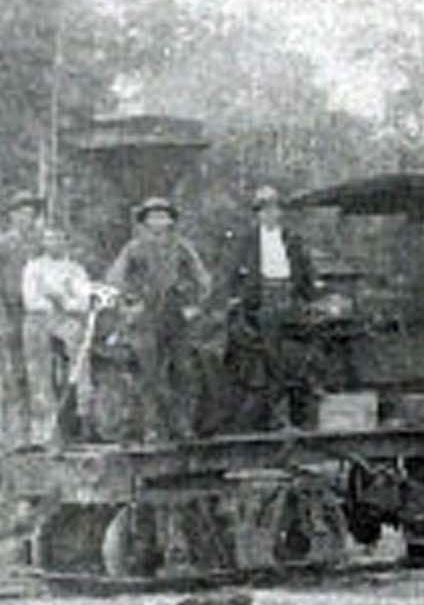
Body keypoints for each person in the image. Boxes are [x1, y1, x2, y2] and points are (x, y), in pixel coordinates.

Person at [104, 197, 214, 441]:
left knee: (183, 371)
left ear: (171, 220)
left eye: (164, 216)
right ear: (145, 221)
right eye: (153, 216)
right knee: (148, 373)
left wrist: (195, 306)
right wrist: (127, 307)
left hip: (175, 315)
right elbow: (114, 279)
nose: (159, 221)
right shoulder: (133, 248)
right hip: (146, 317)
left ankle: (182, 424)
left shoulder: (182, 247)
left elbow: (203, 279)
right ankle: (150, 427)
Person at [226, 185, 317, 431]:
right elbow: (232, 274)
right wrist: (237, 299)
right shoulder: (247, 241)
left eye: (274, 209)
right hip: (260, 303)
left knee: (307, 349)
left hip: (289, 299)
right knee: (270, 356)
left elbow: (306, 274)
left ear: (280, 212)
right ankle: (275, 414)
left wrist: (312, 298)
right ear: (257, 214)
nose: (269, 214)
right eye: (263, 210)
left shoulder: (292, 240)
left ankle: (304, 412)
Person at [20, 227, 102, 448]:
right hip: (39, 320)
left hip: (66, 318)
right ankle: (43, 430)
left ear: (66, 242)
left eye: (58, 239)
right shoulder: (34, 267)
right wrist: (54, 301)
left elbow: (83, 301)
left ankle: (84, 417)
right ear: (43, 243)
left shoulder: (75, 269)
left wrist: (64, 301)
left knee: (81, 353)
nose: (54, 243)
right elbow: (31, 300)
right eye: (49, 239)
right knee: (38, 369)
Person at [0, 191, 42, 444]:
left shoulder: (41, 243)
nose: (26, 219)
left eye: (30, 214)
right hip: (13, 312)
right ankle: (18, 433)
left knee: (41, 370)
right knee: (17, 373)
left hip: (39, 312)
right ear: (11, 216)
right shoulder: (4, 245)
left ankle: (43, 432)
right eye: (21, 214)